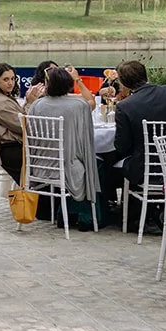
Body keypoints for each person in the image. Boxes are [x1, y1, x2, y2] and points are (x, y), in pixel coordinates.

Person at [109, 59, 166, 229]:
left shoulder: (125, 106)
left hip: (144, 169)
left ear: (123, 82)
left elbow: (122, 146)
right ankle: (154, 211)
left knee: (111, 164)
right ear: (146, 74)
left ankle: (126, 214)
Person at [25, 66, 102, 230]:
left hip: (39, 167)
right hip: (67, 169)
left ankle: (65, 214)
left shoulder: (36, 105)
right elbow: (85, 143)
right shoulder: (78, 105)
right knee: (94, 164)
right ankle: (84, 216)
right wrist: (78, 80)